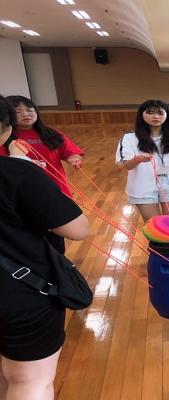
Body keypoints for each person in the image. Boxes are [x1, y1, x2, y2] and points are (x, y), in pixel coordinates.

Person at [0, 96, 90, 400]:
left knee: (8, 373)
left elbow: (69, 151)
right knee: (30, 380)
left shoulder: (48, 138)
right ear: (6, 127)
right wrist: (23, 166)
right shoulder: (16, 171)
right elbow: (79, 229)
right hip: (19, 292)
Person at [2, 95, 85, 254]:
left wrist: (73, 158)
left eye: (30, 110)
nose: (26, 114)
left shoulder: (51, 133)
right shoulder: (6, 138)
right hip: (25, 195)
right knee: (32, 235)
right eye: (18, 111)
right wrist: (26, 164)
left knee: (57, 235)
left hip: (55, 189)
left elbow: (69, 152)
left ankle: (58, 261)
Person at [116, 99, 169, 223]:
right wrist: (137, 159)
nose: (156, 116)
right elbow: (127, 165)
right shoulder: (129, 138)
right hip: (143, 184)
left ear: (167, 115)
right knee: (153, 225)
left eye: (160, 113)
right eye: (150, 113)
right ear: (141, 114)